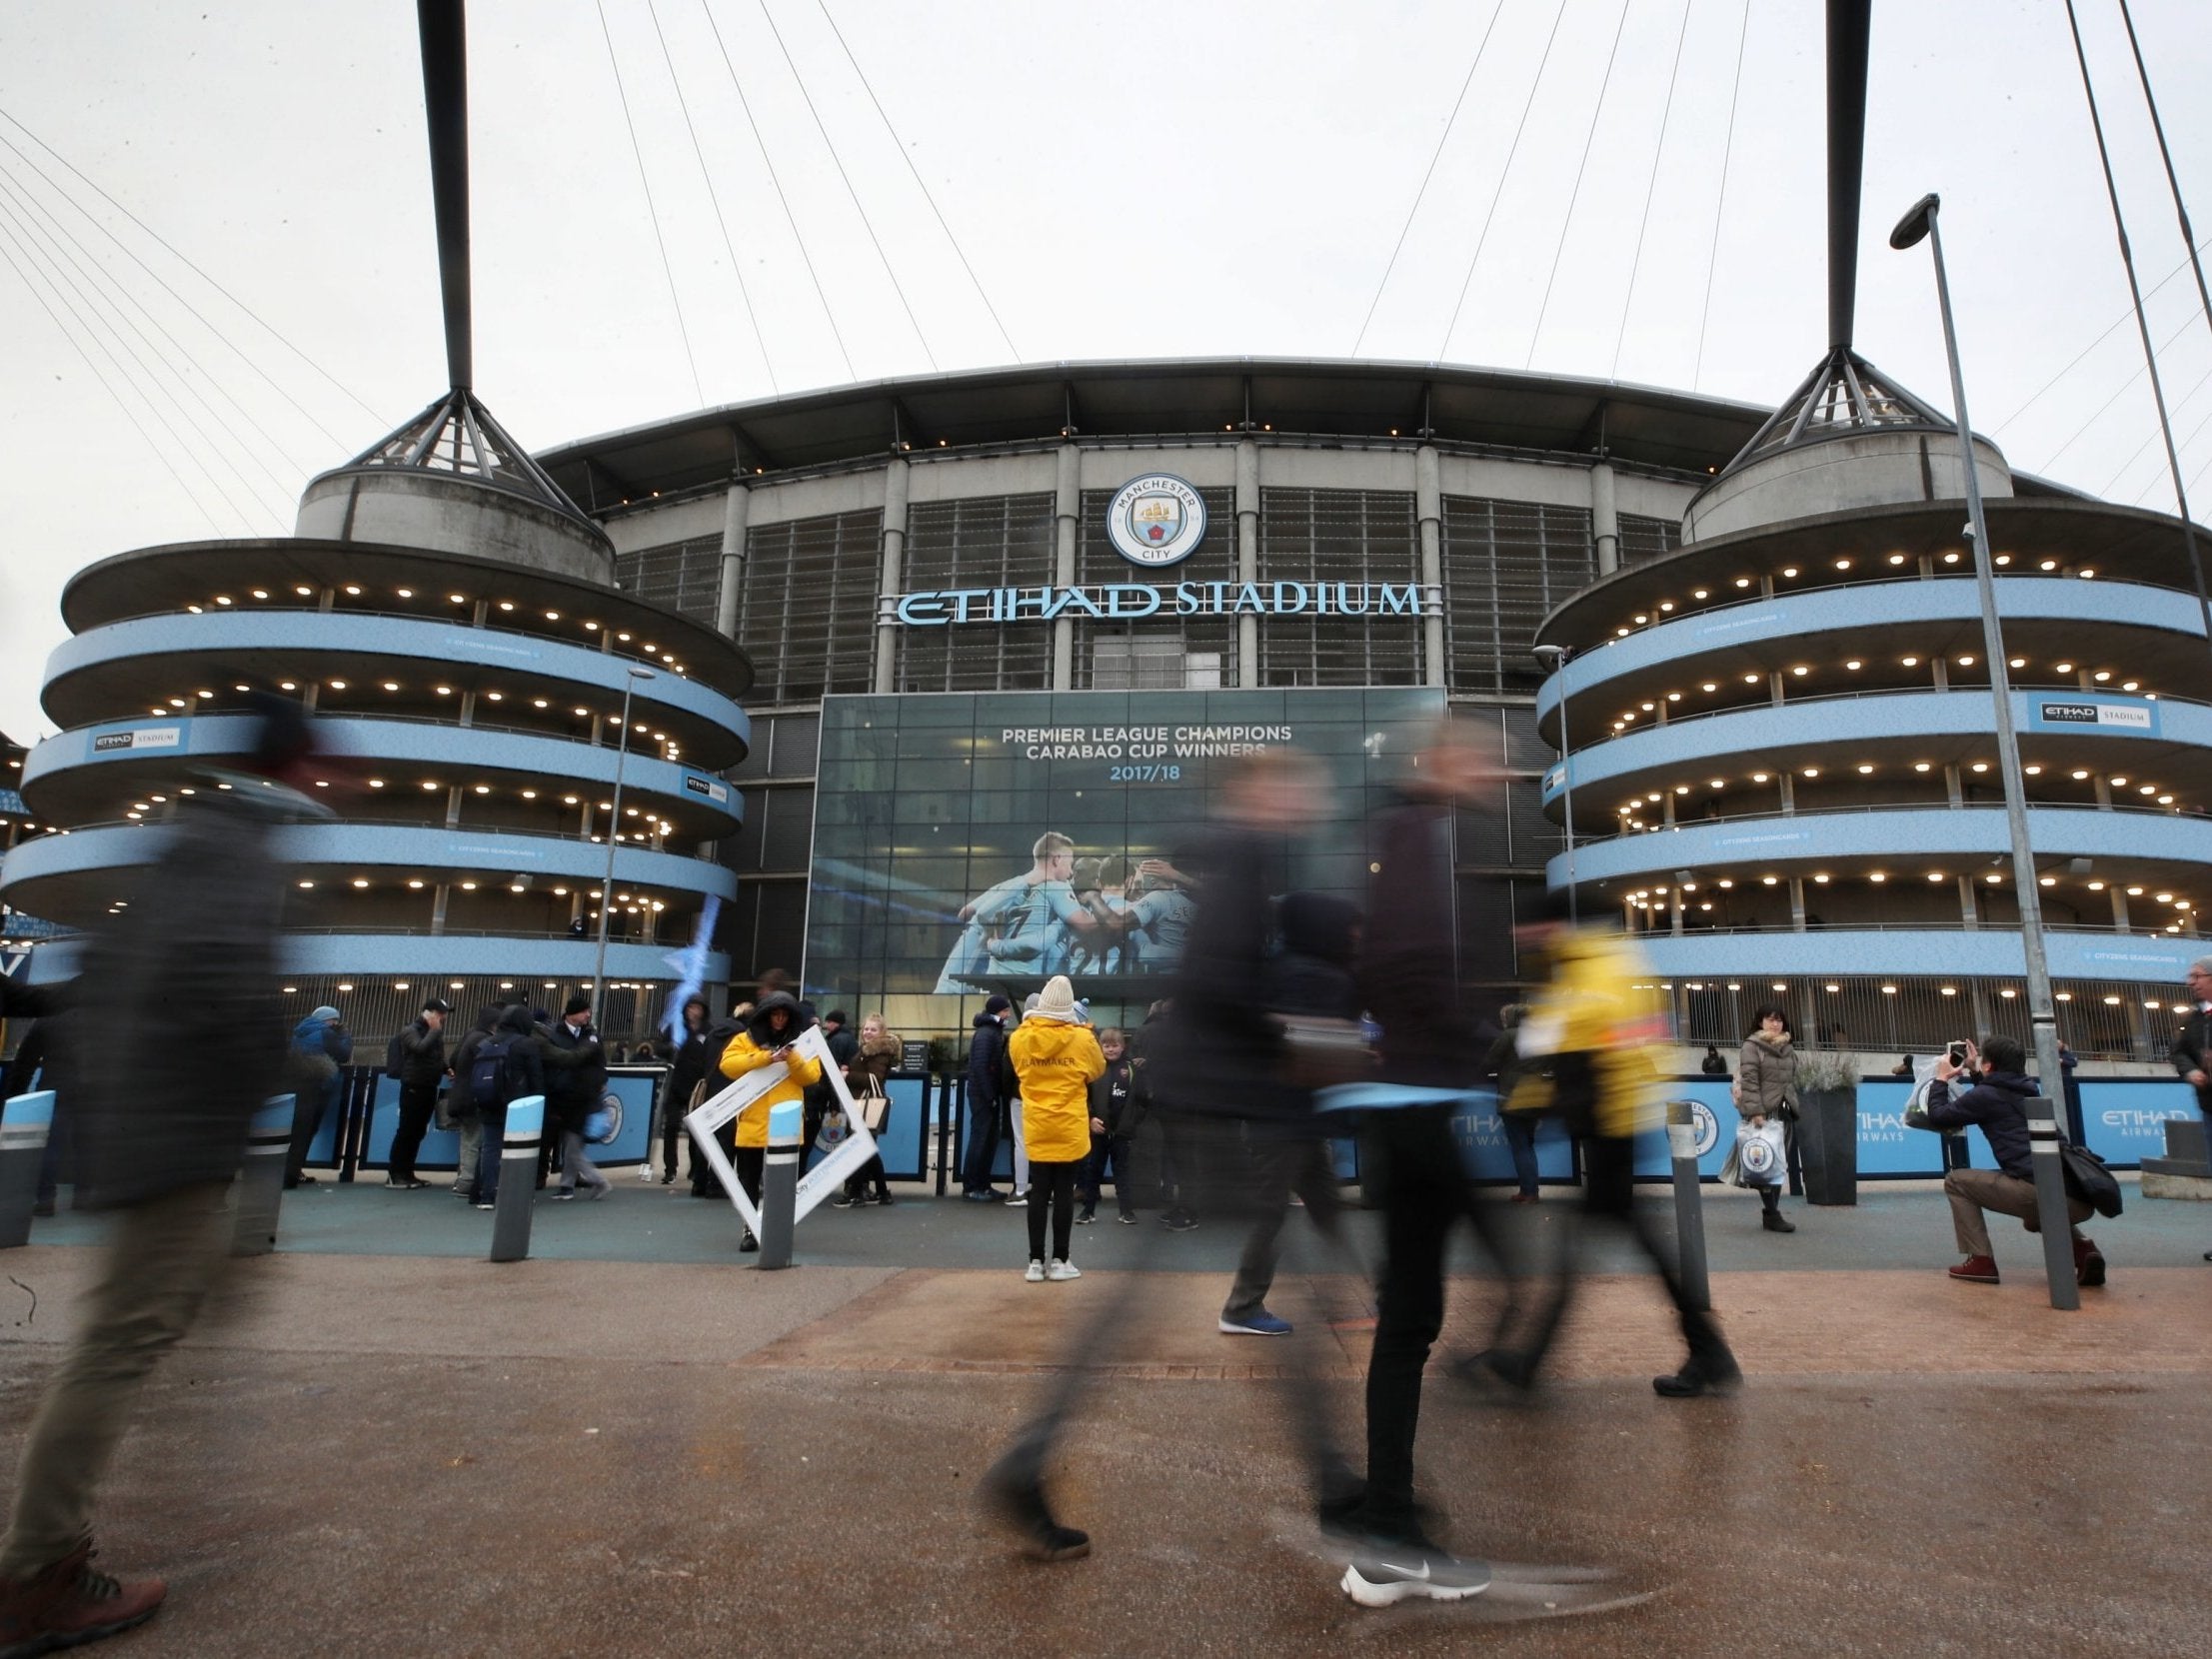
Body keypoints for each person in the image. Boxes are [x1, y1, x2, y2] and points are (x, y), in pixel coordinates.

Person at [0, 693, 318, 1652]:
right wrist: (288, 1063)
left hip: (158, 1123)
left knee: (160, 1309)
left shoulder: (192, 841)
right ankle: (35, 1573)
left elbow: (107, 974)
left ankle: (37, 1563)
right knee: (117, 1342)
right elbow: (222, 979)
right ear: (297, 764)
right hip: (175, 1129)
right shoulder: (234, 849)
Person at [1487, 907, 1741, 1405]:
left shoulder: (1599, 965)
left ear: (1553, 925)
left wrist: (1555, 1052)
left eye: (1529, 928)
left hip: (1613, 1125)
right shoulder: (1574, 969)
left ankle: (1532, 1362)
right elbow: (1562, 1048)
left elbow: (1605, 1038)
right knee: (1615, 1244)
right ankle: (1707, 1351)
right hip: (1605, 1124)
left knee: (1594, 1249)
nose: (1523, 939)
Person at [1927, 1036, 2103, 1286]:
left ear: (1989, 1065)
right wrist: (1976, 1070)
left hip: (2042, 1194)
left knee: (1956, 1181)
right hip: (2078, 1195)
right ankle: (2085, 1251)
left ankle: (1981, 1261)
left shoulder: (1988, 1095)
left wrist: (1941, 1079)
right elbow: (1991, 1095)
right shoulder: (2027, 1088)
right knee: (2038, 1212)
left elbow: (1938, 1116)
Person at [1008, 976, 1103, 1281]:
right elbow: (1097, 1070)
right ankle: (1061, 1261)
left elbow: (1019, 1068)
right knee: (1064, 1192)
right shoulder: (1082, 1039)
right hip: (1069, 1125)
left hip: (1037, 1123)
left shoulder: (1020, 1038)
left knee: (1039, 1190)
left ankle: (1035, 1263)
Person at [715, 991, 822, 1250]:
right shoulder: (744, 1039)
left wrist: (790, 1057)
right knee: (749, 1180)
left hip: (785, 1123)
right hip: (753, 1120)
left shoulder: (804, 1044)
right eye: (775, 1014)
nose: (780, 1020)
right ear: (766, 1015)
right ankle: (750, 1230)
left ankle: (776, 1229)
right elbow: (727, 1065)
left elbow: (811, 1077)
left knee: (780, 1184)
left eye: (784, 1015)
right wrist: (765, 1058)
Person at [469, 1004, 544, 1211]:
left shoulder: (485, 1043)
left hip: (488, 1101)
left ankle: (486, 1194)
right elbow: (536, 1077)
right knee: (521, 1151)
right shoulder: (527, 1044)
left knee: (490, 1148)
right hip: (519, 1105)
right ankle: (517, 1194)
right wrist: (539, 1103)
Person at [1733, 1007, 1799, 1235]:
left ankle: (1772, 1212)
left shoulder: (1788, 1048)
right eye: (1770, 1020)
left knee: (1779, 1165)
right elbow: (1749, 1079)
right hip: (1764, 1112)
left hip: (1784, 1112)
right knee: (1766, 1163)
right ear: (1759, 1022)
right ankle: (1772, 1213)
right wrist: (1755, 1111)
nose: (1775, 1024)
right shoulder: (1751, 1046)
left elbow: (1791, 1079)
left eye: (1779, 1020)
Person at [542, 995, 611, 1201]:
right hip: (562, 1096)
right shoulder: (559, 1035)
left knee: (573, 1145)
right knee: (572, 1144)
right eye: (584, 1011)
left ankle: (582, 1183)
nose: (588, 1015)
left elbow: (600, 1065)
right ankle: (568, 1185)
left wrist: (599, 1081)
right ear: (572, 1013)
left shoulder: (589, 1036)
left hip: (582, 1097)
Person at [833, 1012, 899, 1208]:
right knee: (867, 1150)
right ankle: (881, 1192)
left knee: (859, 1149)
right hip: (867, 1105)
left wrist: (847, 1075)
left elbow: (874, 1079)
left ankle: (855, 1194)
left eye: (873, 1029)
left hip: (867, 1105)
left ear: (882, 1032)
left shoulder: (877, 1051)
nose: (868, 1032)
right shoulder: (869, 1050)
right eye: (866, 1028)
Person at [385, 997, 452, 1189]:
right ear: (429, 1013)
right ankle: (396, 1173)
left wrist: (445, 1068)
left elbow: (435, 1055)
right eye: (440, 1013)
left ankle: (407, 1172)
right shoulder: (410, 1030)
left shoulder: (432, 1033)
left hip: (428, 1084)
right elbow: (419, 1049)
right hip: (414, 1085)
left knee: (417, 1131)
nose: (443, 1017)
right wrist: (434, 1031)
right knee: (407, 1130)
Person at [1078, 1027, 1142, 1224]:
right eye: (1106, 1045)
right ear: (1100, 1047)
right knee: (1093, 1171)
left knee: (1122, 1171)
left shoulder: (1132, 1069)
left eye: (1115, 1045)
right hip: (1098, 1130)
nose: (1110, 1049)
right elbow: (1082, 1097)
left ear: (1123, 1047)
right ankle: (1088, 1211)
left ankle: (1126, 1211)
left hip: (1122, 1132)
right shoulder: (1094, 1068)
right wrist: (1090, 1119)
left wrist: (1131, 1122)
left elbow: (1141, 1100)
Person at [282, 1005, 351, 1189]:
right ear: (325, 1020)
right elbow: (344, 1055)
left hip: (297, 1084)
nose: (335, 1024)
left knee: (296, 1130)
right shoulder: (326, 1034)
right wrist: (345, 1036)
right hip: (318, 1085)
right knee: (307, 1131)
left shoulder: (299, 1033)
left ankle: (289, 1170)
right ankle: (292, 1174)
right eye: (333, 1020)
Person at [442, 1004, 504, 1202]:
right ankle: (468, 1182)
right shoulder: (483, 1040)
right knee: (476, 1141)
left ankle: (464, 1180)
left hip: (461, 1095)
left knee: (468, 1139)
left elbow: (453, 1059)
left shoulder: (470, 1035)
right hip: (473, 1097)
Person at [2172, 956, 2212, 1263]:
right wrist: (2191, 1071)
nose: (2190, 982)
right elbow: (2180, 1052)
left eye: (2196, 976)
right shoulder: (2195, 1019)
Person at [961, 995, 1013, 1200]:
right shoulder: (986, 1034)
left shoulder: (993, 1032)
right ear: (997, 1012)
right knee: (980, 1140)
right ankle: (972, 1186)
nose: (1008, 1015)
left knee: (989, 1140)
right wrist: (990, 1095)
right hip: (983, 1095)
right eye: (1005, 1011)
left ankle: (983, 1184)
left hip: (987, 1094)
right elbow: (980, 1067)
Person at [658, 994, 713, 1186]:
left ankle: (695, 1168)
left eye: (697, 1008)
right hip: (676, 1084)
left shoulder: (708, 1030)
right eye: (690, 1008)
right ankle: (670, 1169)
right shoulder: (676, 1028)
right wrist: (671, 1047)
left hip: (697, 1088)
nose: (693, 1012)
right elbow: (659, 1048)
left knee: (695, 1130)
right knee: (671, 1126)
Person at [1486, 1004, 1539, 1202]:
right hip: (1534, 1097)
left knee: (1520, 1147)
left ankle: (1529, 1192)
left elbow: (1490, 1061)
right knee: (1528, 1145)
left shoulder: (1508, 1036)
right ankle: (1531, 1189)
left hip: (1512, 1098)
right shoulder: (1537, 1035)